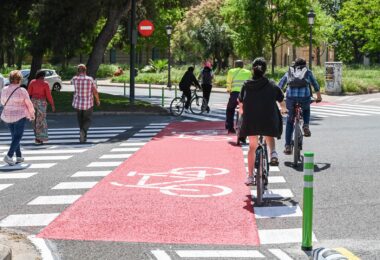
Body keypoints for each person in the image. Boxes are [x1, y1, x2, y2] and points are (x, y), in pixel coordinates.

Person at [238, 58, 286, 185]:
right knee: (269, 127)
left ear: (252, 69)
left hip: (251, 121)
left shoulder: (246, 85)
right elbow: (281, 100)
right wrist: (283, 109)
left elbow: (241, 103)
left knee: (252, 147)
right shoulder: (271, 84)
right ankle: (273, 153)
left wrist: (242, 112)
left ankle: (250, 177)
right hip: (268, 120)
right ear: (265, 70)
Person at [278, 58, 322, 155]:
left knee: (290, 121)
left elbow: (280, 85)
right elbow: (315, 85)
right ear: (305, 65)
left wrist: (280, 97)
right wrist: (319, 97)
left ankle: (288, 146)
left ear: (295, 64)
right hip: (304, 97)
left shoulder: (290, 71)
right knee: (306, 109)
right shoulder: (308, 72)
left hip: (290, 98)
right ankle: (305, 125)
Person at [1, 70, 35, 166]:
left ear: (10, 79)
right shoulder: (22, 90)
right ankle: (9, 156)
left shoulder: (4, 89)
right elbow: (28, 103)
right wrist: (32, 114)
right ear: (19, 80)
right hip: (20, 115)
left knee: (14, 137)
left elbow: (2, 102)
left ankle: (19, 156)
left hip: (7, 116)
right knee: (18, 137)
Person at [71, 64, 100, 143]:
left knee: (80, 120)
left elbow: (73, 80)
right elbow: (95, 91)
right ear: (85, 70)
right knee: (87, 120)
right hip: (88, 103)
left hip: (78, 103)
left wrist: (77, 74)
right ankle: (83, 132)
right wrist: (97, 100)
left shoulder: (75, 79)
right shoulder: (90, 79)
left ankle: (83, 136)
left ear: (78, 71)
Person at [28, 70, 56, 144]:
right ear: (43, 76)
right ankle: (40, 138)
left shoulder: (32, 82)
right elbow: (48, 95)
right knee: (41, 121)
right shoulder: (45, 84)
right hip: (42, 103)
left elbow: (29, 93)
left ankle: (37, 137)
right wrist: (52, 104)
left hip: (33, 102)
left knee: (34, 120)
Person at [225, 60, 251, 134]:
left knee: (230, 109)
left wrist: (229, 90)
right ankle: (247, 127)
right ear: (243, 65)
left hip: (235, 94)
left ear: (234, 65)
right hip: (246, 95)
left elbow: (229, 82)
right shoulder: (248, 72)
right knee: (247, 110)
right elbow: (250, 82)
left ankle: (230, 127)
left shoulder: (231, 71)